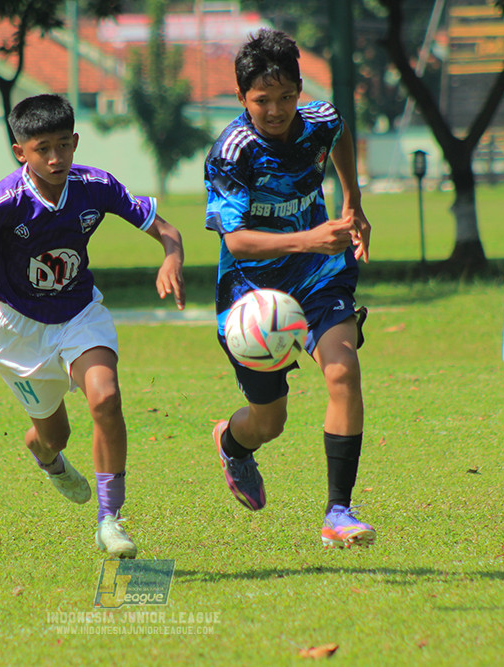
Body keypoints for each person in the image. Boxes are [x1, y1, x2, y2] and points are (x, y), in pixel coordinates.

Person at [0, 94, 185, 559]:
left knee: (106, 398)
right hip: (21, 329)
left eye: (62, 145)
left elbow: (167, 230)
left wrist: (171, 257)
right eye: (41, 149)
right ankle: (47, 458)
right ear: (21, 152)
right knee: (54, 435)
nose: (55, 158)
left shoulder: (96, 186)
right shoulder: (1, 203)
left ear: (75, 141)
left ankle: (110, 520)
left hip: (79, 314)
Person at [204, 29, 375, 549]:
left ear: (300, 90)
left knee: (343, 370)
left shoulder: (318, 119)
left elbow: (339, 132)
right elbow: (236, 243)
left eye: (285, 97)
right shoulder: (231, 153)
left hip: (319, 273)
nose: (275, 110)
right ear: (241, 98)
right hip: (253, 296)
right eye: (261, 100)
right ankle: (233, 443)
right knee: (269, 422)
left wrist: (352, 200)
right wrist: (309, 237)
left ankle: (338, 512)